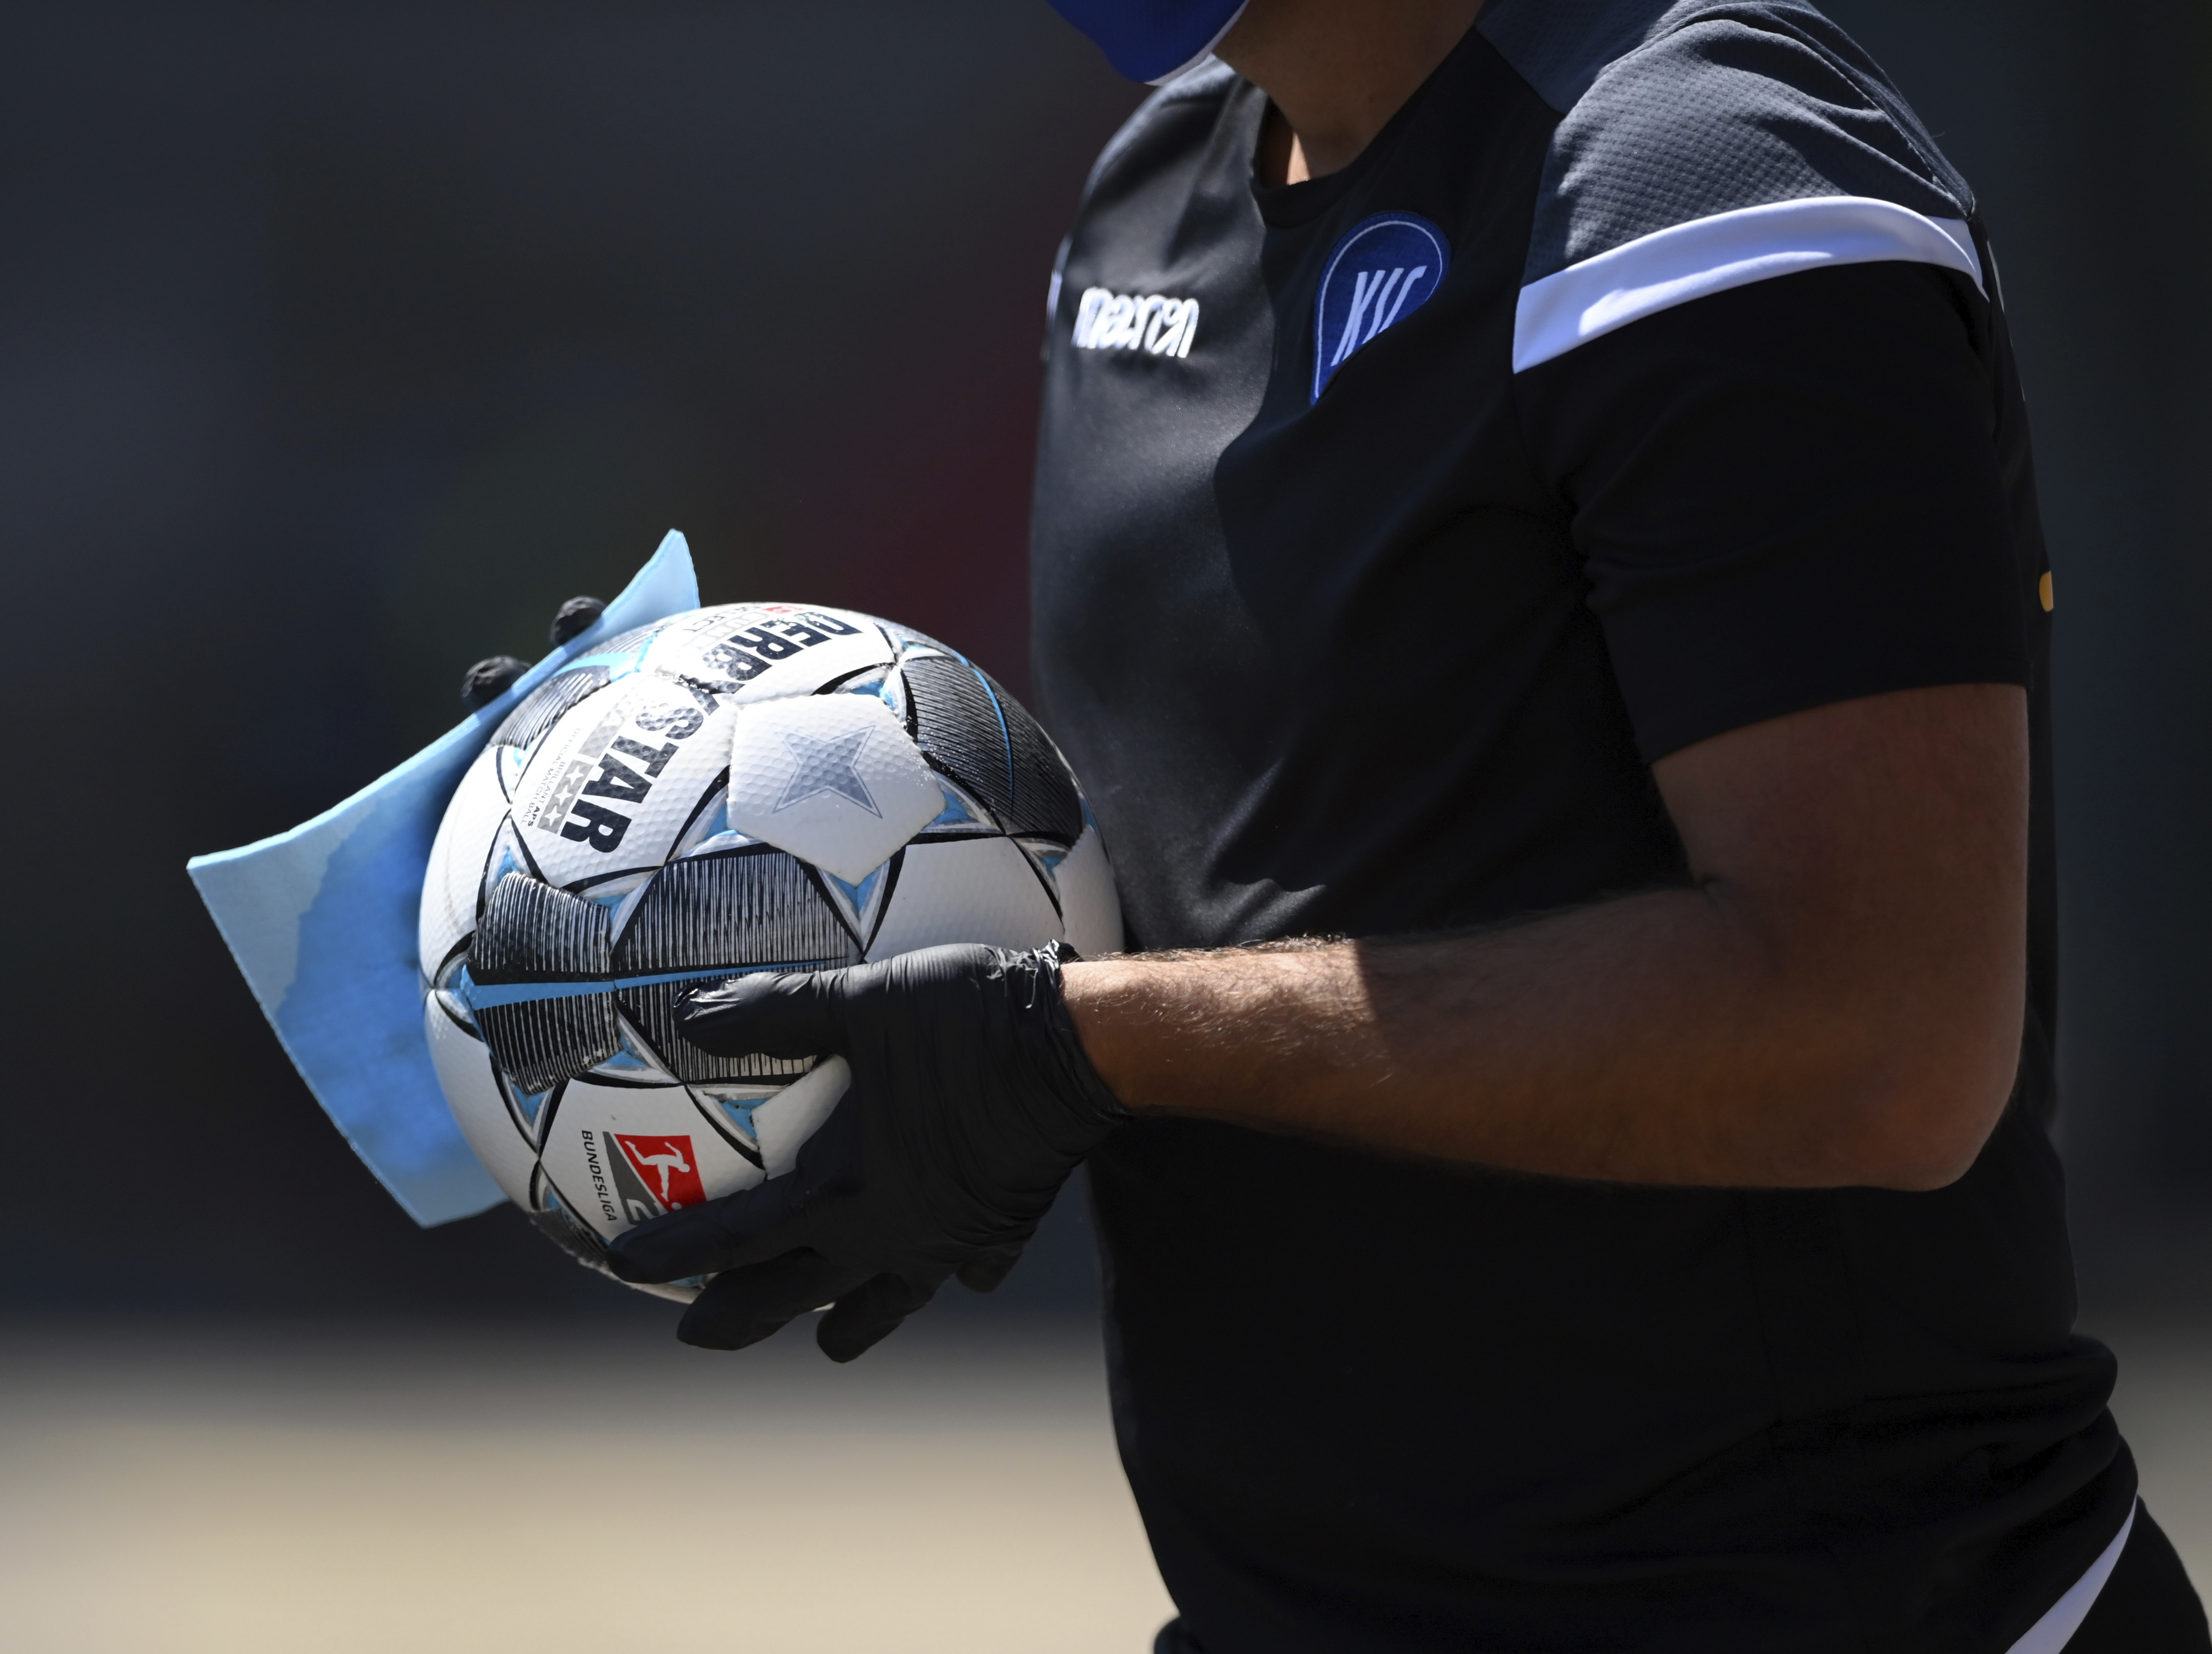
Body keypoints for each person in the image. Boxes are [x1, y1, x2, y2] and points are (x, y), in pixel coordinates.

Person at [608, 0, 2212, 1647]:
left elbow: (1882, 1040)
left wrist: (1097, 1044)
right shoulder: (1152, 196)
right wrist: (682, 812)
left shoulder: (1707, 180)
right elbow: (1231, 858)